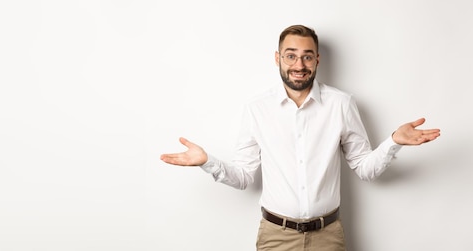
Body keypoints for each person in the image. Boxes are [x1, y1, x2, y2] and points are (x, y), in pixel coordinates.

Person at [159, 24, 440, 251]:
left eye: (307, 56)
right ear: (278, 58)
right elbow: (244, 177)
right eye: (291, 55)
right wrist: (207, 162)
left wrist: (393, 142)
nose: (299, 64)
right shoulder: (257, 108)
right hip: (275, 237)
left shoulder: (341, 104)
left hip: (328, 237)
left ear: (317, 60)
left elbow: (365, 169)